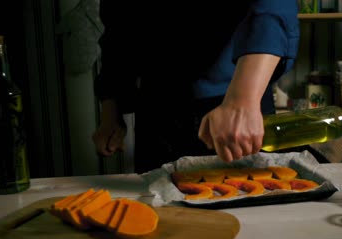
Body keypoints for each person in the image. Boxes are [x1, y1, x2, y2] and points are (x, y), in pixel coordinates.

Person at [92, 1, 300, 174]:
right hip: (157, 111)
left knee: (251, 215)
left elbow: (272, 7)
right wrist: (112, 109)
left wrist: (242, 101)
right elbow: (118, 29)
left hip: (236, 106)